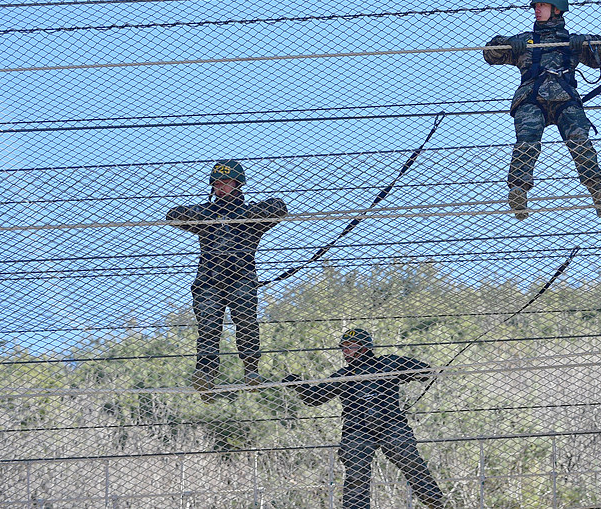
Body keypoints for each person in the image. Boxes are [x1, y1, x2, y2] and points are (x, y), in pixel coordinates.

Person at [484, 0, 601, 220]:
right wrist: (506, 43)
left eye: (543, 5)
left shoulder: (571, 42)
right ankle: (518, 192)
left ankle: (598, 192)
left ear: (557, 10)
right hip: (532, 98)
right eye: (536, 6)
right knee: (528, 139)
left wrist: (586, 42)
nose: (537, 10)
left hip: (565, 99)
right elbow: (489, 54)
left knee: (579, 138)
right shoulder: (526, 40)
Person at [282, 329, 444, 509]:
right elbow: (314, 398)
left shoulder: (389, 364)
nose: (345, 352)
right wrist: (298, 385)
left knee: (407, 456)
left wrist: (410, 371)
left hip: (391, 422)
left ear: (365, 347)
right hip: (357, 428)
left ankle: (434, 502)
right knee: (356, 471)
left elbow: (424, 372)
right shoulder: (343, 376)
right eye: (343, 348)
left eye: (350, 347)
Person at [167, 160, 287, 401]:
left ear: (238, 184)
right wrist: (209, 215)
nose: (221, 188)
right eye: (218, 184)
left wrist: (241, 215)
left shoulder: (250, 216)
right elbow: (174, 215)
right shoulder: (207, 214)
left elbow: (279, 207)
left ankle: (251, 370)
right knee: (209, 328)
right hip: (208, 281)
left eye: (227, 183)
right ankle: (206, 375)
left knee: (245, 322)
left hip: (241, 277)